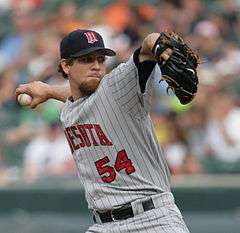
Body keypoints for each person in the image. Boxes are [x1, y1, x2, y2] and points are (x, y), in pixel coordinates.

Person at [16, 29, 191, 233]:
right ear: (66, 65)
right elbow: (79, 96)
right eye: (87, 59)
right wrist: (48, 91)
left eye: (100, 59)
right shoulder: (70, 109)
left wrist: (158, 44)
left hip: (152, 218)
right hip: (103, 225)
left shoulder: (118, 85)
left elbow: (145, 48)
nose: (96, 66)